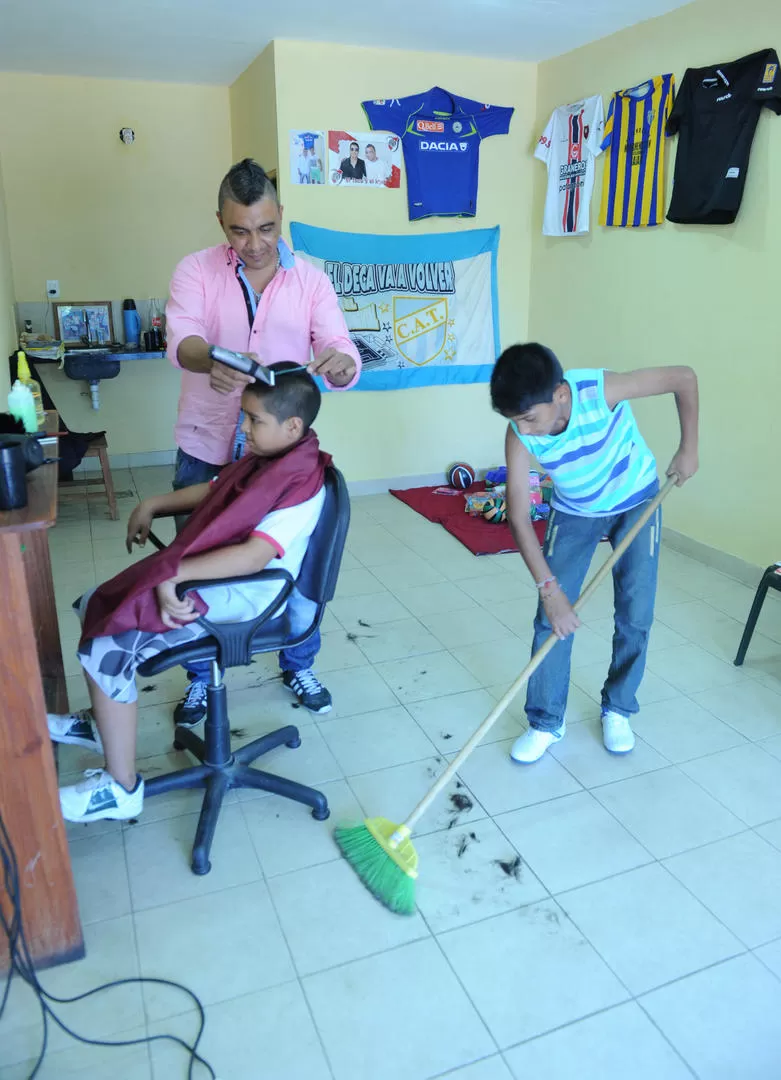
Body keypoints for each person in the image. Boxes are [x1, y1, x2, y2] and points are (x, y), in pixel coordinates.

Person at [47, 365, 331, 823]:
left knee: (107, 645)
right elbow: (216, 490)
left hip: (247, 593)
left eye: (253, 419)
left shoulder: (301, 482)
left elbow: (255, 558)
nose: (243, 427)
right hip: (223, 575)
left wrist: (175, 573)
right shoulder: (270, 458)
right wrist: (152, 503)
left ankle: (120, 789)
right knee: (97, 599)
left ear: (292, 426)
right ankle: (101, 722)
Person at [165, 158, 360, 725]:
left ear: (280, 216)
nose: (254, 244)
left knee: (297, 561)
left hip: (281, 457)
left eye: (267, 228)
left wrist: (342, 365)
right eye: (239, 230)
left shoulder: (311, 280)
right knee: (193, 559)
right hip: (206, 441)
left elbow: (341, 348)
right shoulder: (196, 271)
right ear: (220, 222)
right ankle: (201, 675)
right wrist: (214, 357)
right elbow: (183, 341)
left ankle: (298, 659)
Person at [490, 343, 698, 763]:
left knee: (636, 611)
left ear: (561, 395)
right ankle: (546, 721)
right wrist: (550, 591)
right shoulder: (518, 435)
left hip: (637, 498)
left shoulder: (600, 391)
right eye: (514, 421)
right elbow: (517, 516)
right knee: (550, 619)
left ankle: (618, 708)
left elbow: (684, 377)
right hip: (575, 511)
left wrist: (688, 448)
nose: (524, 431)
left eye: (529, 418)